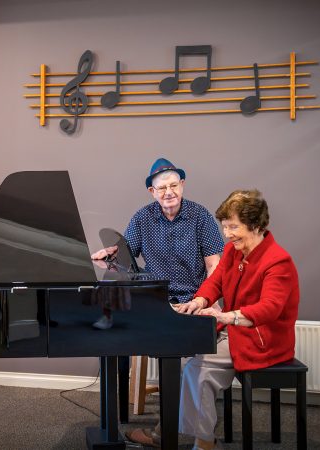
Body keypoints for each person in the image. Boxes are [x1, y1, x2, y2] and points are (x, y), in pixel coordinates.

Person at [175, 189, 300, 450]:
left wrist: (225, 316)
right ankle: (201, 436)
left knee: (197, 368)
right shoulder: (233, 251)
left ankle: (205, 443)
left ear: (256, 225)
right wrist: (197, 302)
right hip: (236, 332)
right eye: (225, 227)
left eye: (234, 227)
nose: (228, 234)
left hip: (263, 340)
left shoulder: (279, 261)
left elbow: (270, 308)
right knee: (189, 357)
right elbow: (216, 282)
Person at [91, 157, 224, 329]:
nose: (169, 192)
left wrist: (208, 299)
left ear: (182, 184)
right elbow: (125, 256)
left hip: (194, 301)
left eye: (173, 185)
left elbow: (214, 265)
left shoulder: (201, 216)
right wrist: (110, 254)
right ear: (152, 191)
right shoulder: (142, 218)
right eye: (161, 188)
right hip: (155, 301)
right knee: (120, 331)